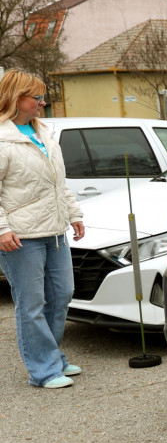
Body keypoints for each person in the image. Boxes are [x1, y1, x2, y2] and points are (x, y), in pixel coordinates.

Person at [0, 70, 85, 389]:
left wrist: (74, 213)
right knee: (31, 303)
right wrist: (2, 229)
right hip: (20, 238)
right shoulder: (3, 139)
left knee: (62, 294)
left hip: (54, 231)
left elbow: (57, 181)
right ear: (15, 98)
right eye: (35, 97)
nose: (42, 102)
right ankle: (44, 369)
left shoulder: (44, 133)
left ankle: (53, 356)